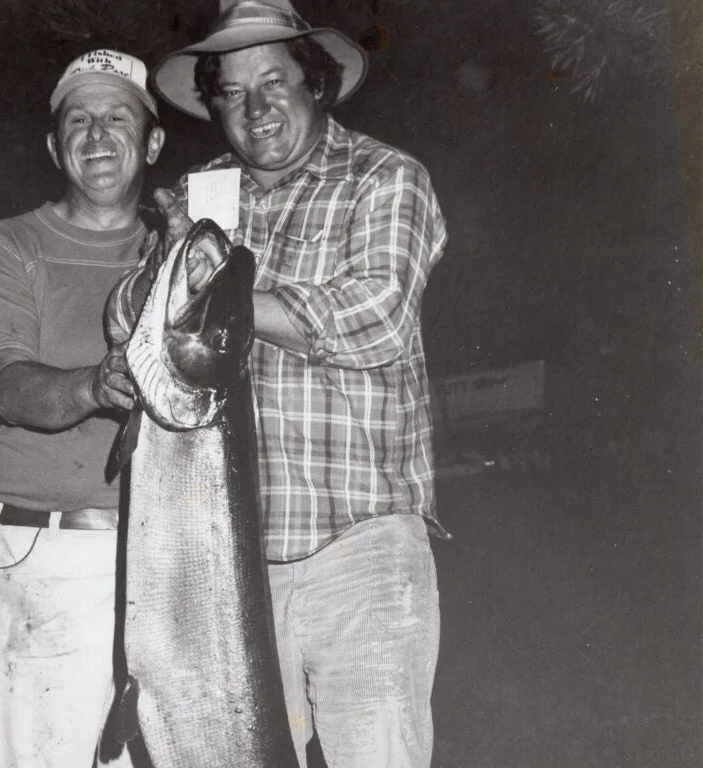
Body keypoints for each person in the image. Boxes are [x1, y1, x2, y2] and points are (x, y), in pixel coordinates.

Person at [107, 2, 448, 766]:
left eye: (274, 81)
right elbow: (126, 317)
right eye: (230, 91)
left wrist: (215, 309)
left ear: (316, 84)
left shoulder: (386, 177)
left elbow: (377, 317)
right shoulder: (203, 197)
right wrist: (164, 269)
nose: (255, 109)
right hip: (229, 568)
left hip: (359, 549)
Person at [0, 48, 165, 768]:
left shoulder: (185, 252)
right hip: (50, 553)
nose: (98, 135)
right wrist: (93, 385)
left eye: (117, 117)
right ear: (54, 146)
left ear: (154, 141)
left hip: (173, 557)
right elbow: (10, 386)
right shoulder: (9, 246)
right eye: (78, 120)